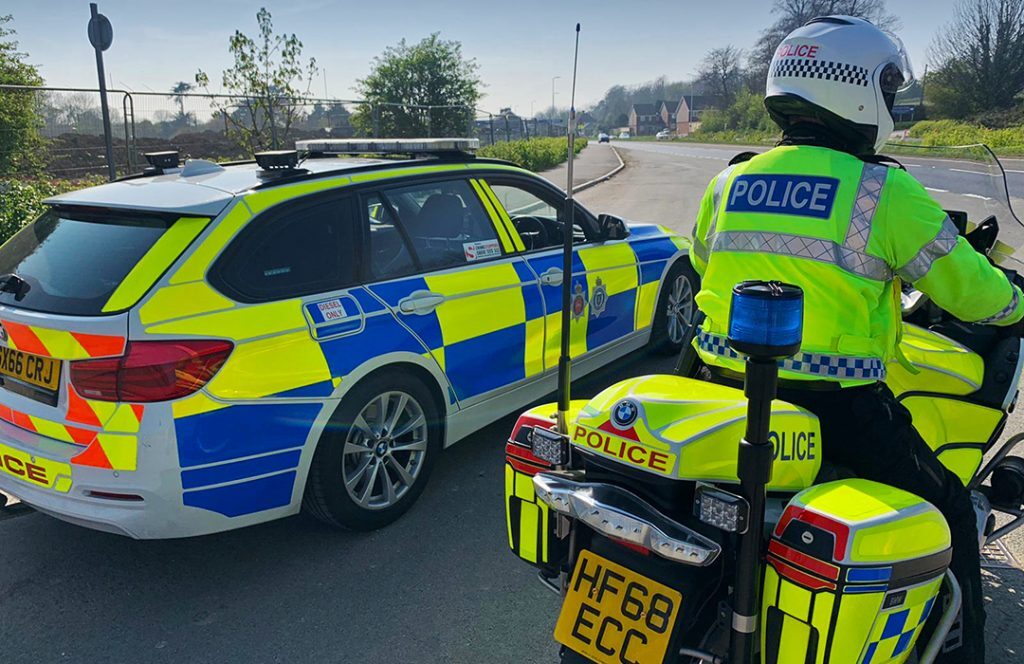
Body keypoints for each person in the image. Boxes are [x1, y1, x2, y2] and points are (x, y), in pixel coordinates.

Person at [689, 15, 1023, 663]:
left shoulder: (731, 177)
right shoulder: (881, 188)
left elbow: (708, 265)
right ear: (859, 90)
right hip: (838, 409)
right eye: (890, 86)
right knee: (949, 510)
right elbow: (968, 290)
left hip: (725, 394)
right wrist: (1015, 305)